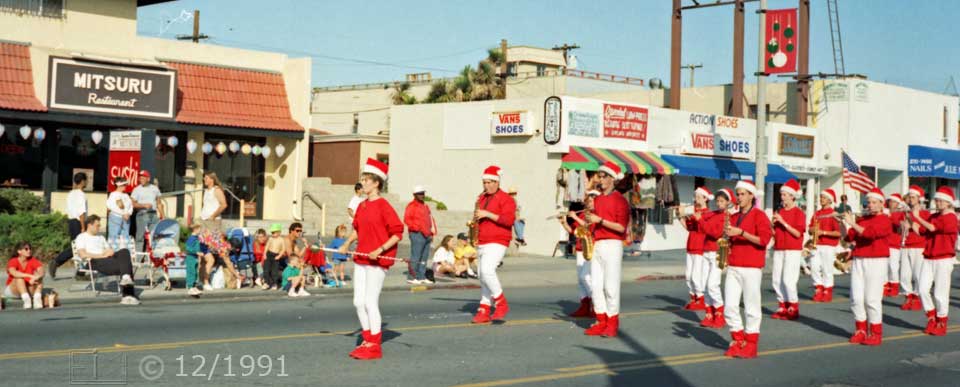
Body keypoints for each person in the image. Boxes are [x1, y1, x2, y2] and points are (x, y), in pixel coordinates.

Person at [338, 158, 404, 360]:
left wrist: (380, 249)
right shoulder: (361, 205)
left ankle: (374, 345)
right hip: (362, 257)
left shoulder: (384, 206)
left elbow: (398, 233)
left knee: (369, 301)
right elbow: (358, 229)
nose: (363, 183)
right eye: (363, 180)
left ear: (377, 183)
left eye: (367, 180)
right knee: (358, 302)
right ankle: (367, 340)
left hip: (378, 259)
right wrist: (347, 243)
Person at [722, 180, 772, 359]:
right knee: (729, 306)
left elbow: (764, 240)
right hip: (734, 265)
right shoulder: (734, 217)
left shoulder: (760, 215)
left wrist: (741, 233)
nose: (739, 197)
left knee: (751, 307)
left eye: (743, 194)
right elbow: (730, 238)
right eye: (738, 194)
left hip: (751, 267)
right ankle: (737, 339)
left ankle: (751, 344)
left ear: (751, 195)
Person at [583, 162, 630, 338]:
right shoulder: (598, 199)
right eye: (599, 176)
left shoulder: (620, 200)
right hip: (598, 243)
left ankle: (612, 322)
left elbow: (621, 228)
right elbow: (594, 221)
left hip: (613, 244)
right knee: (595, 285)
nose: (600, 180)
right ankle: (601, 320)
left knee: (611, 287)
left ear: (612, 179)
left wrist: (599, 220)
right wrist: (589, 220)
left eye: (604, 177)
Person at [842, 187, 891, 346]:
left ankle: (875, 332)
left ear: (881, 204)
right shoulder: (862, 219)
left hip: (876, 260)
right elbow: (848, 238)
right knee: (856, 298)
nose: (869, 205)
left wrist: (853, 223)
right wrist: (846, 223)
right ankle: (860, 330)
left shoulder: (885, 220)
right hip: (859, 259)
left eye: (873, 202)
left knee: (872, 299)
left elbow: (870, 234)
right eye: (868, 202)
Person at [469, 165, 517, 324]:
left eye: (490, 182)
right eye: (484, 182)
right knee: (482, 276)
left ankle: (501, 302)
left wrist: (487, 214)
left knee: (487, 271)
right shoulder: (481, 197)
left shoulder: (507, 199)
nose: (487, 185)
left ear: (497, 182)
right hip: (482, 240)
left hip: (498, 240)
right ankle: (484, 308)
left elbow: (509, 220)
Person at [914, 186, 957, 336]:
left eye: (940, 201)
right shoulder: (934, 216)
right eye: (936, 200)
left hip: (944, 259)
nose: (937, 203)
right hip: (929, 257)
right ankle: (932, 316)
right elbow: (922, 231)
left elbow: (932, 228)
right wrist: (911, 220)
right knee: (922, 289)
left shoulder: (951, 217)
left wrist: (918, 217)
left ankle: (942, 321)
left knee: (940, 293)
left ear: (948, 203)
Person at [74, 215, 141, 305]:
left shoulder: (101, 238)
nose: (99, 228)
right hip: (93, 261)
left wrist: (110, 252)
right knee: (126, 266)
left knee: (124, 252)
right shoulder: (81, 237)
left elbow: (108, 250)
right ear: (90, 225)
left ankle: (125, 278)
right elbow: (82, 254)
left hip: (107, 259)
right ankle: (128, 295)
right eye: (97, 225)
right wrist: (101, 255)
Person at [770, 179, 807, 321]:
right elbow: (775, 233)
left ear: (792, 196)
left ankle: (793, 307)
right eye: (782, 194)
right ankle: (782, 305)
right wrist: (773, 226)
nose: (782, 197)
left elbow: (798, 233)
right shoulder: (779, 211)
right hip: (779, 248)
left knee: (788, 280)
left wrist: (783, 222)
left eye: (785, 194)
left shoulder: (798, 213)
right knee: (776, 279)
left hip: (792, 249)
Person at [559, 190, 598, 318]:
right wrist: (564, 222)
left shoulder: (596, 215)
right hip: (580, 249)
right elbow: (573, 231)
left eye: (592, 201)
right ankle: (584, 306)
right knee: (580, 280)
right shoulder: (583, 215)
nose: (589, 203)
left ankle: (597, 303)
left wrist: (574, 217)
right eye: (588, 201)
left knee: (585, 277)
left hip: (590, 250)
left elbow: (588, 227)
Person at [699, 188, 733, 328]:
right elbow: (700, 225)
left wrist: (700, 219)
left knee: (713, 284)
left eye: (722, 201)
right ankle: (709, 313)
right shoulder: (712, 214)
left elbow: (715, 233)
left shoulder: (727, 216)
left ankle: (719, 314)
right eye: (717, 201)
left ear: (728, 202)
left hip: (721, 250)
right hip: (707, 250)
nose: (719, 204)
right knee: (703, 284)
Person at [50, 172, 88, 278]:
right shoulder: (81, 194)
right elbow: (81, 212)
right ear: (83, 181)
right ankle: (56, 261)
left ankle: (81, 272)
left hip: (71, 221)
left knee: (77, 247)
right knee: (78, 247)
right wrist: (83, 226)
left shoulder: (71, 193)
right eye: (86, 180)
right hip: (78, 222)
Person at [681, 186, 713, 311]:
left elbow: (706, 229)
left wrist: (695, 216)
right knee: (688, 275)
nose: (696, 199)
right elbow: (689, 228)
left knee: (696, 276)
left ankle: (700, 298)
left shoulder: (708, 214)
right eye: (696, 196)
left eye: (699, 197)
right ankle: (693, 298)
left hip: (700, 247)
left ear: (706, 198)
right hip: (691, 245)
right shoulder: (695, 212)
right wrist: (681, 215)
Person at [809, 189, 842, 303]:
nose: (821, 199)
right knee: (814, 267)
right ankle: (818, 288)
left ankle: (827, 290)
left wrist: (823, 232)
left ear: (829, 200)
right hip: (817, 244)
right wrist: (812, 230)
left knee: (827, 268)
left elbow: (838, 233)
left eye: (823, 197)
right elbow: (810, 228)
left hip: (828, 245)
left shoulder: (833, 214)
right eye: (821, 197)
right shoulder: (816, 213)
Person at [900, 185, 929, 310]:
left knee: (918, 273)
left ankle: (917, 296)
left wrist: (911, 223)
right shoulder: (905, 212)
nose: (910, 199)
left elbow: (923, 228)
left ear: (919, 198)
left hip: (919, 245)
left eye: (913, 197)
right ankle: (908, 296)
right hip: (906, 245)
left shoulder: (925, 213)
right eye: (909, 197)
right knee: (904, 274)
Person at [404, 185, 437, 285]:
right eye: (419, 193)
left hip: (427, 234)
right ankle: (412, 277)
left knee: (424, 257)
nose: (422, 195)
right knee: (416, 256)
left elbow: (430, 219)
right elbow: (407, 219)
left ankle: (421, 276)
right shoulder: (411, 206)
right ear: (414, 195)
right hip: (417, 234)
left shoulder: (425, 206)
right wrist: (417, 228)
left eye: (423, 193)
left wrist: (431, 233)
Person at [131, 170, 164, 252]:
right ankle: (138, 259)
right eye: (140, 177)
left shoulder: (155, 189)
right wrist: (144, 205)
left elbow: (159, 203)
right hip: (142, 214)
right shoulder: (136, 189)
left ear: (148, 179)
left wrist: (163, 215)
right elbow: (132, 204)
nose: (141, 179)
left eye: (143, 177)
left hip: (153, 215)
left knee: (153, 237)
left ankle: (149, 258)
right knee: (140, 237)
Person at [6, 242, 45, 309]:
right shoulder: (13, 261)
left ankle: (37, 298)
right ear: (19, 251)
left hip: (27, 287)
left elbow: (41, 271)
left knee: (39, 277)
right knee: (19, 278)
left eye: (30, 249)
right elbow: (14, 273)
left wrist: (37, 277)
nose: (29, 251)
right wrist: (30, 276)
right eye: (26, 249)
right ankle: (26, 299)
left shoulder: (32, 260)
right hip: (13, 290)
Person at [884, 194, 907, 297]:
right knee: (884, 267)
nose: (891, 203)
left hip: (894, 243)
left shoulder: (900, 213)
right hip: (884, 243)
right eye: (890, 201)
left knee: (893, 267)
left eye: (893, 201)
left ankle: (894, 286)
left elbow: (900, 227)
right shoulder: (884, 212)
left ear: (898, 203)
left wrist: (890, 217)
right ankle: (885, 285)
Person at [106, 177, 133, 246]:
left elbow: (131, 206)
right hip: (116, 218)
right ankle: (112, 254)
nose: (125, 186)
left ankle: (124, 253)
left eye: (125, 184)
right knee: (113, 237)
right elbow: (111, 206)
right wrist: (123, 214)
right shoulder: (113, 194)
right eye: (124, 185)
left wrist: (129, 213)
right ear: (119, 185)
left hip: (126, 219)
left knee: (125, 237)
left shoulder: (126, 195)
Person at [263, 223, 286, 290]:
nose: (273, 234)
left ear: (279, 232)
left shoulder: (281, 239)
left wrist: (279, 256)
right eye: (272, 232)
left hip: (276, 256)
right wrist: (264, 254)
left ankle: (274, 283)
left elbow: (283, 249)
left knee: (274, 271)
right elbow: (267, 246)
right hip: (269, 254)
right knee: (266, 269)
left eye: (274, 232)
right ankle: (266, 283)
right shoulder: (270, 239)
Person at [185, 223, 204, 297]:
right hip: (191, 257)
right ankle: (190, 287)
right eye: (199, 229)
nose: (200, 230)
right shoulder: (192, 238)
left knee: (195, 273)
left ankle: (193, 287)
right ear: (195, 230)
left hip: (195, 257)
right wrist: (197, 252)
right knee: (191, 272)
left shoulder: (196, 238)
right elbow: (188, 248)